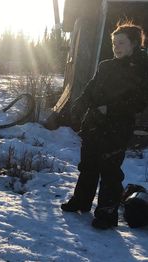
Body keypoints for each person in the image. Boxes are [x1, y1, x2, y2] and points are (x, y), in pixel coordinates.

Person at [61, 22, 148, 229]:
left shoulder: (141, 70)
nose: (116, 47)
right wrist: (79, 105)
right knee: (88, 165)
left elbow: (140, 100)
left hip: (117, 127)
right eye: (113, 43)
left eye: (121, 43)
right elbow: (90, 89)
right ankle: (81, 201)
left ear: (134, 44)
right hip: (93, 124)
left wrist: (110, 109)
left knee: (110, 171)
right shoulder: (105, 65)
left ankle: (107, 214)